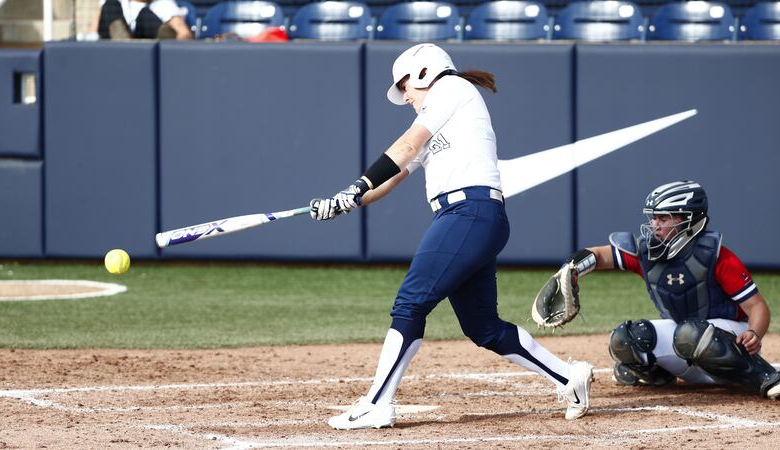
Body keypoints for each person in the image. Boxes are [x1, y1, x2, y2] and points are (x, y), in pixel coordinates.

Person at [309, 43, 594, 430]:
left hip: (470, 213)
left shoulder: (452, 91)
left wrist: (357, 184)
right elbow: (392, 176)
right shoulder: (441, 116)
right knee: (483, 328)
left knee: (410, 303)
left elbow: (405, 144)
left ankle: (378, 403)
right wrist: (346, 201)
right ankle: (568, 377)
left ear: (426, 72)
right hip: (471, 217)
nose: (405, 95)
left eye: (406, 85)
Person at [543, 180, 780, 398]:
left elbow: (757, 306)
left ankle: (763, 376)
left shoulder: (716, 256)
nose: (654, 225)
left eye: (663, 218)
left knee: (689, 333)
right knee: (626, 338)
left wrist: (755, 333)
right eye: (654, 218)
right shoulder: (649, 253)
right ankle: (653, 375)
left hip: (728, 338)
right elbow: (600, 255)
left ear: (688, 220)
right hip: (686, 341)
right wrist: (571, 269)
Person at [95, 0, 193, 40]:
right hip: (112, 47)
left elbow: (184, 33)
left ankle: (164, 40)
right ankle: (123, 42)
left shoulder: (163, 4)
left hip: (145, 48)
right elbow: (93, 31)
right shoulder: (114, 3)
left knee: (145, 15)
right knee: (110, 5)